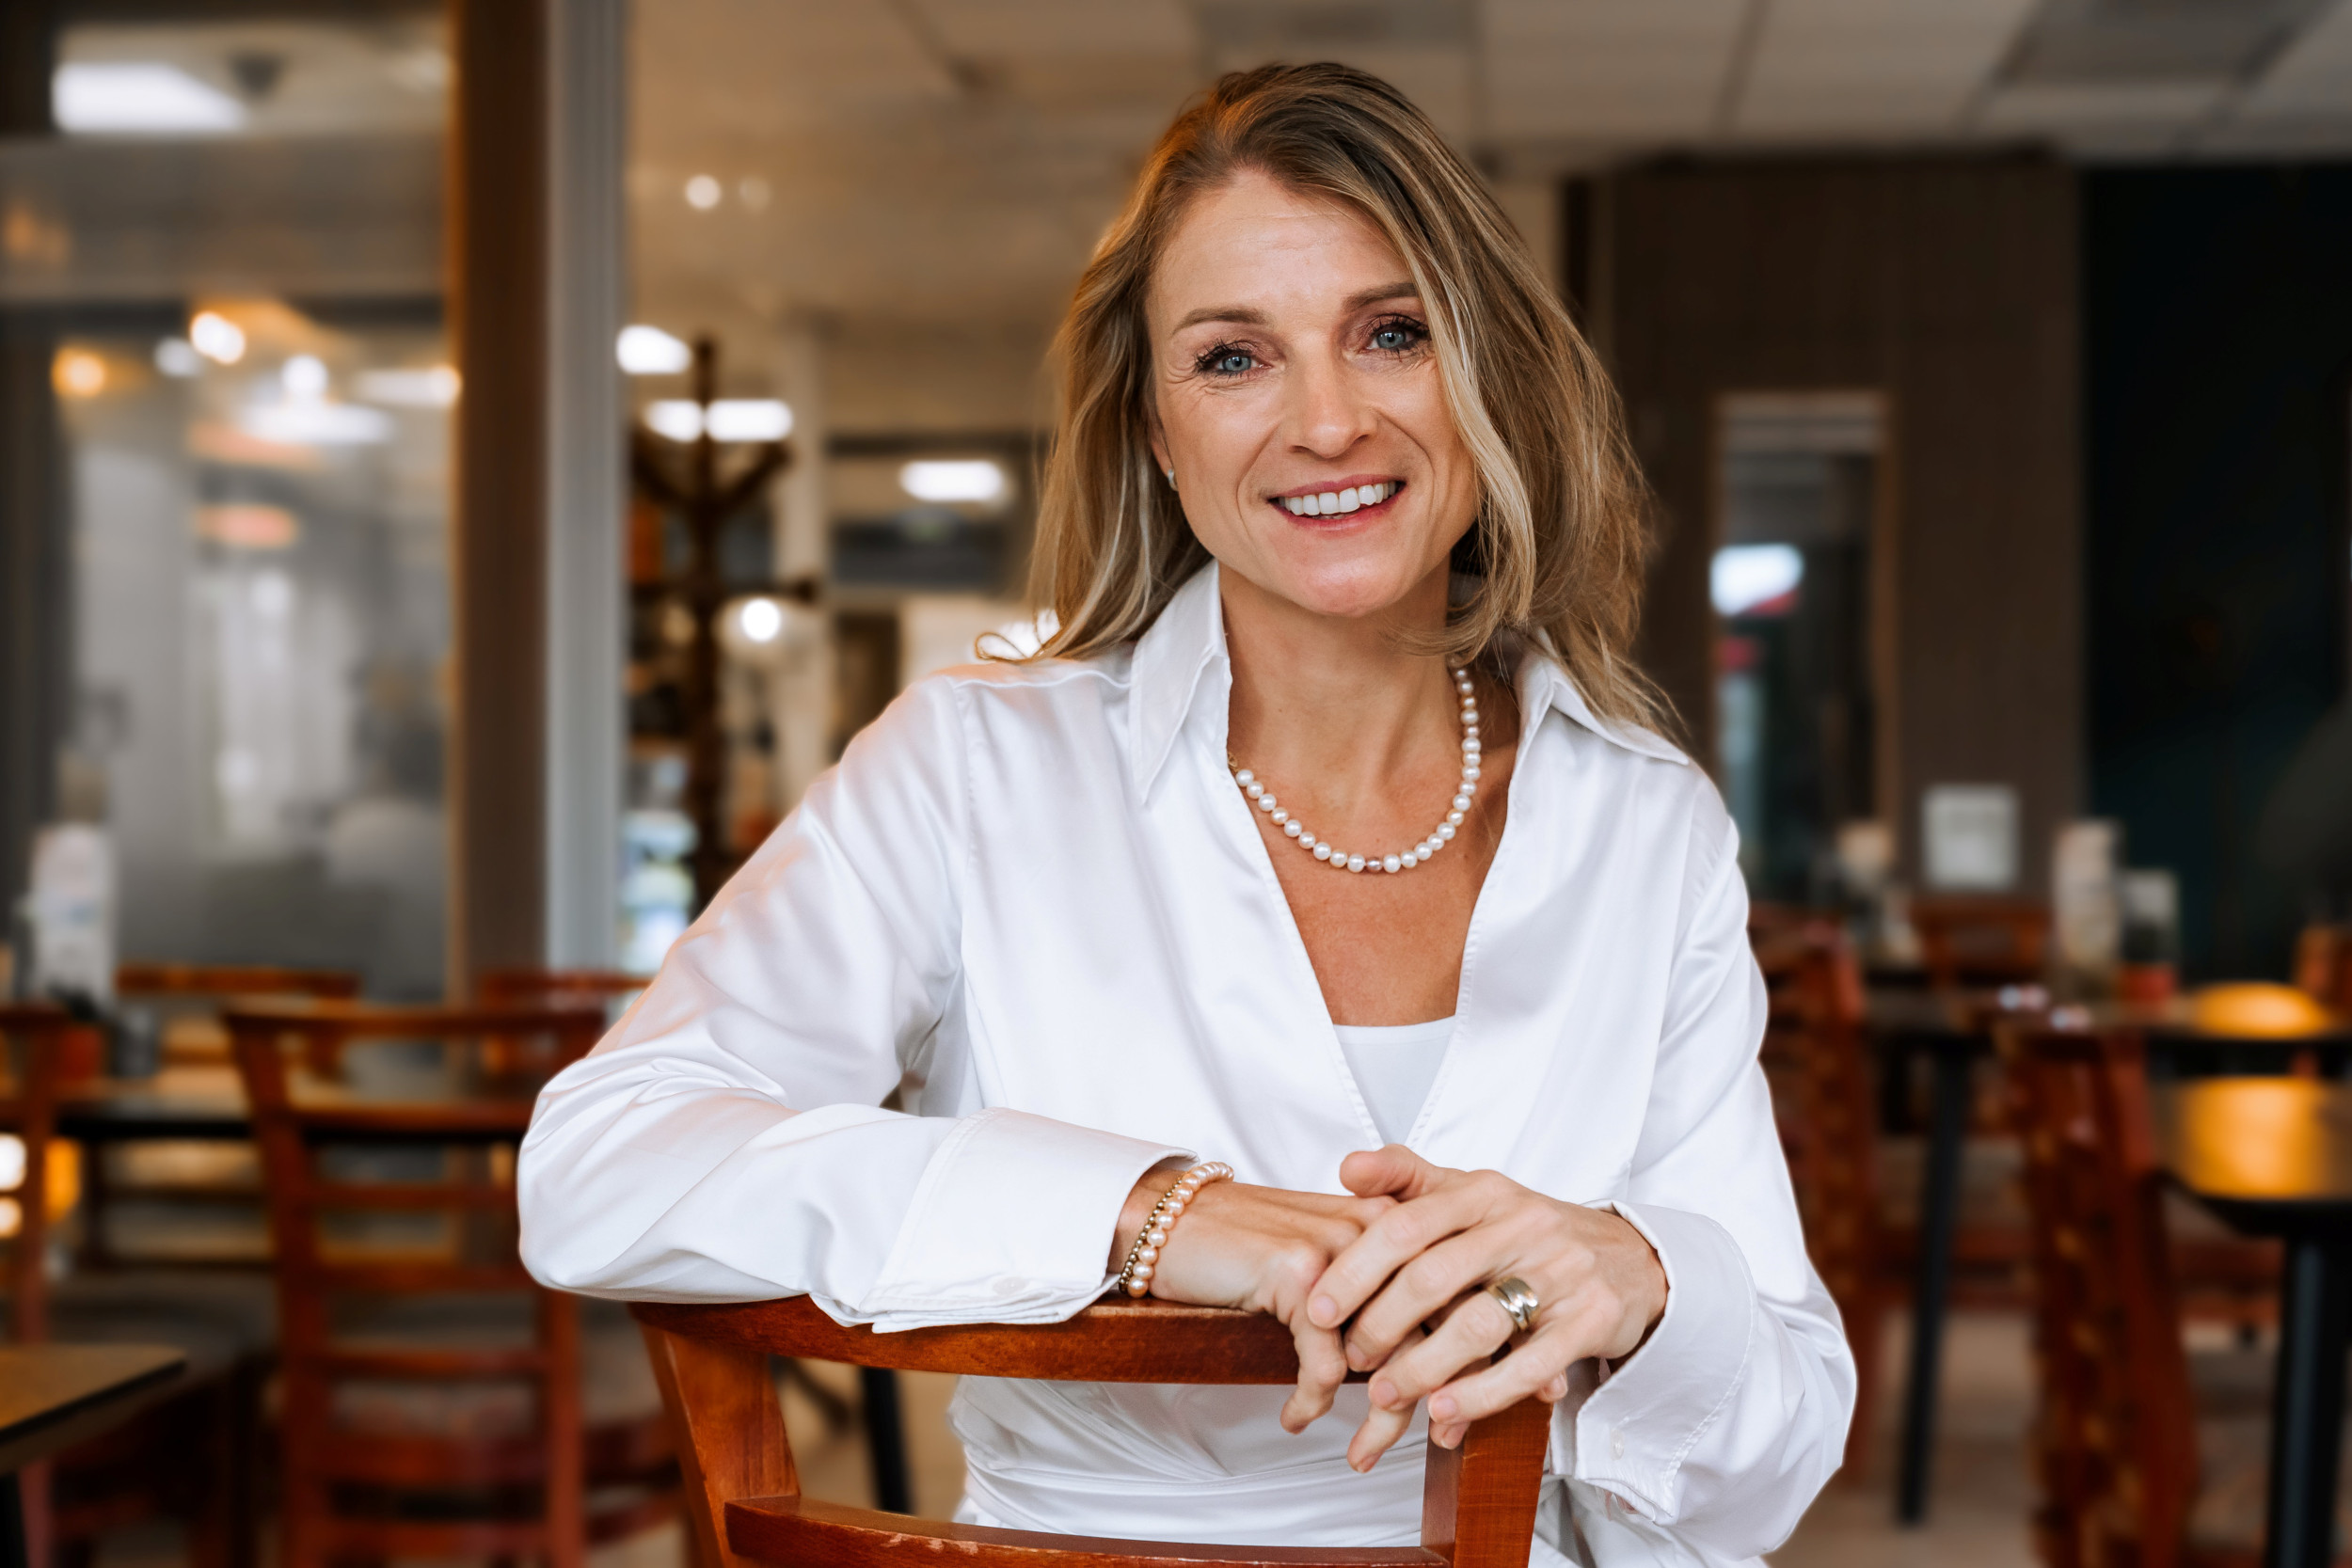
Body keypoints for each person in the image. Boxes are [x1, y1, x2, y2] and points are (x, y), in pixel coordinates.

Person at [519, 62, 1851, 1565]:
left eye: (1392, 334)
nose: (1329, 420)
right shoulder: (976, 767)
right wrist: (1149, 1212)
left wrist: (1642, 1278)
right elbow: (598, 1167)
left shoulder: (1643, 818)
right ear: (1157, 432)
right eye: (1235, 359)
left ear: (1489, 386)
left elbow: (1780, 1443)